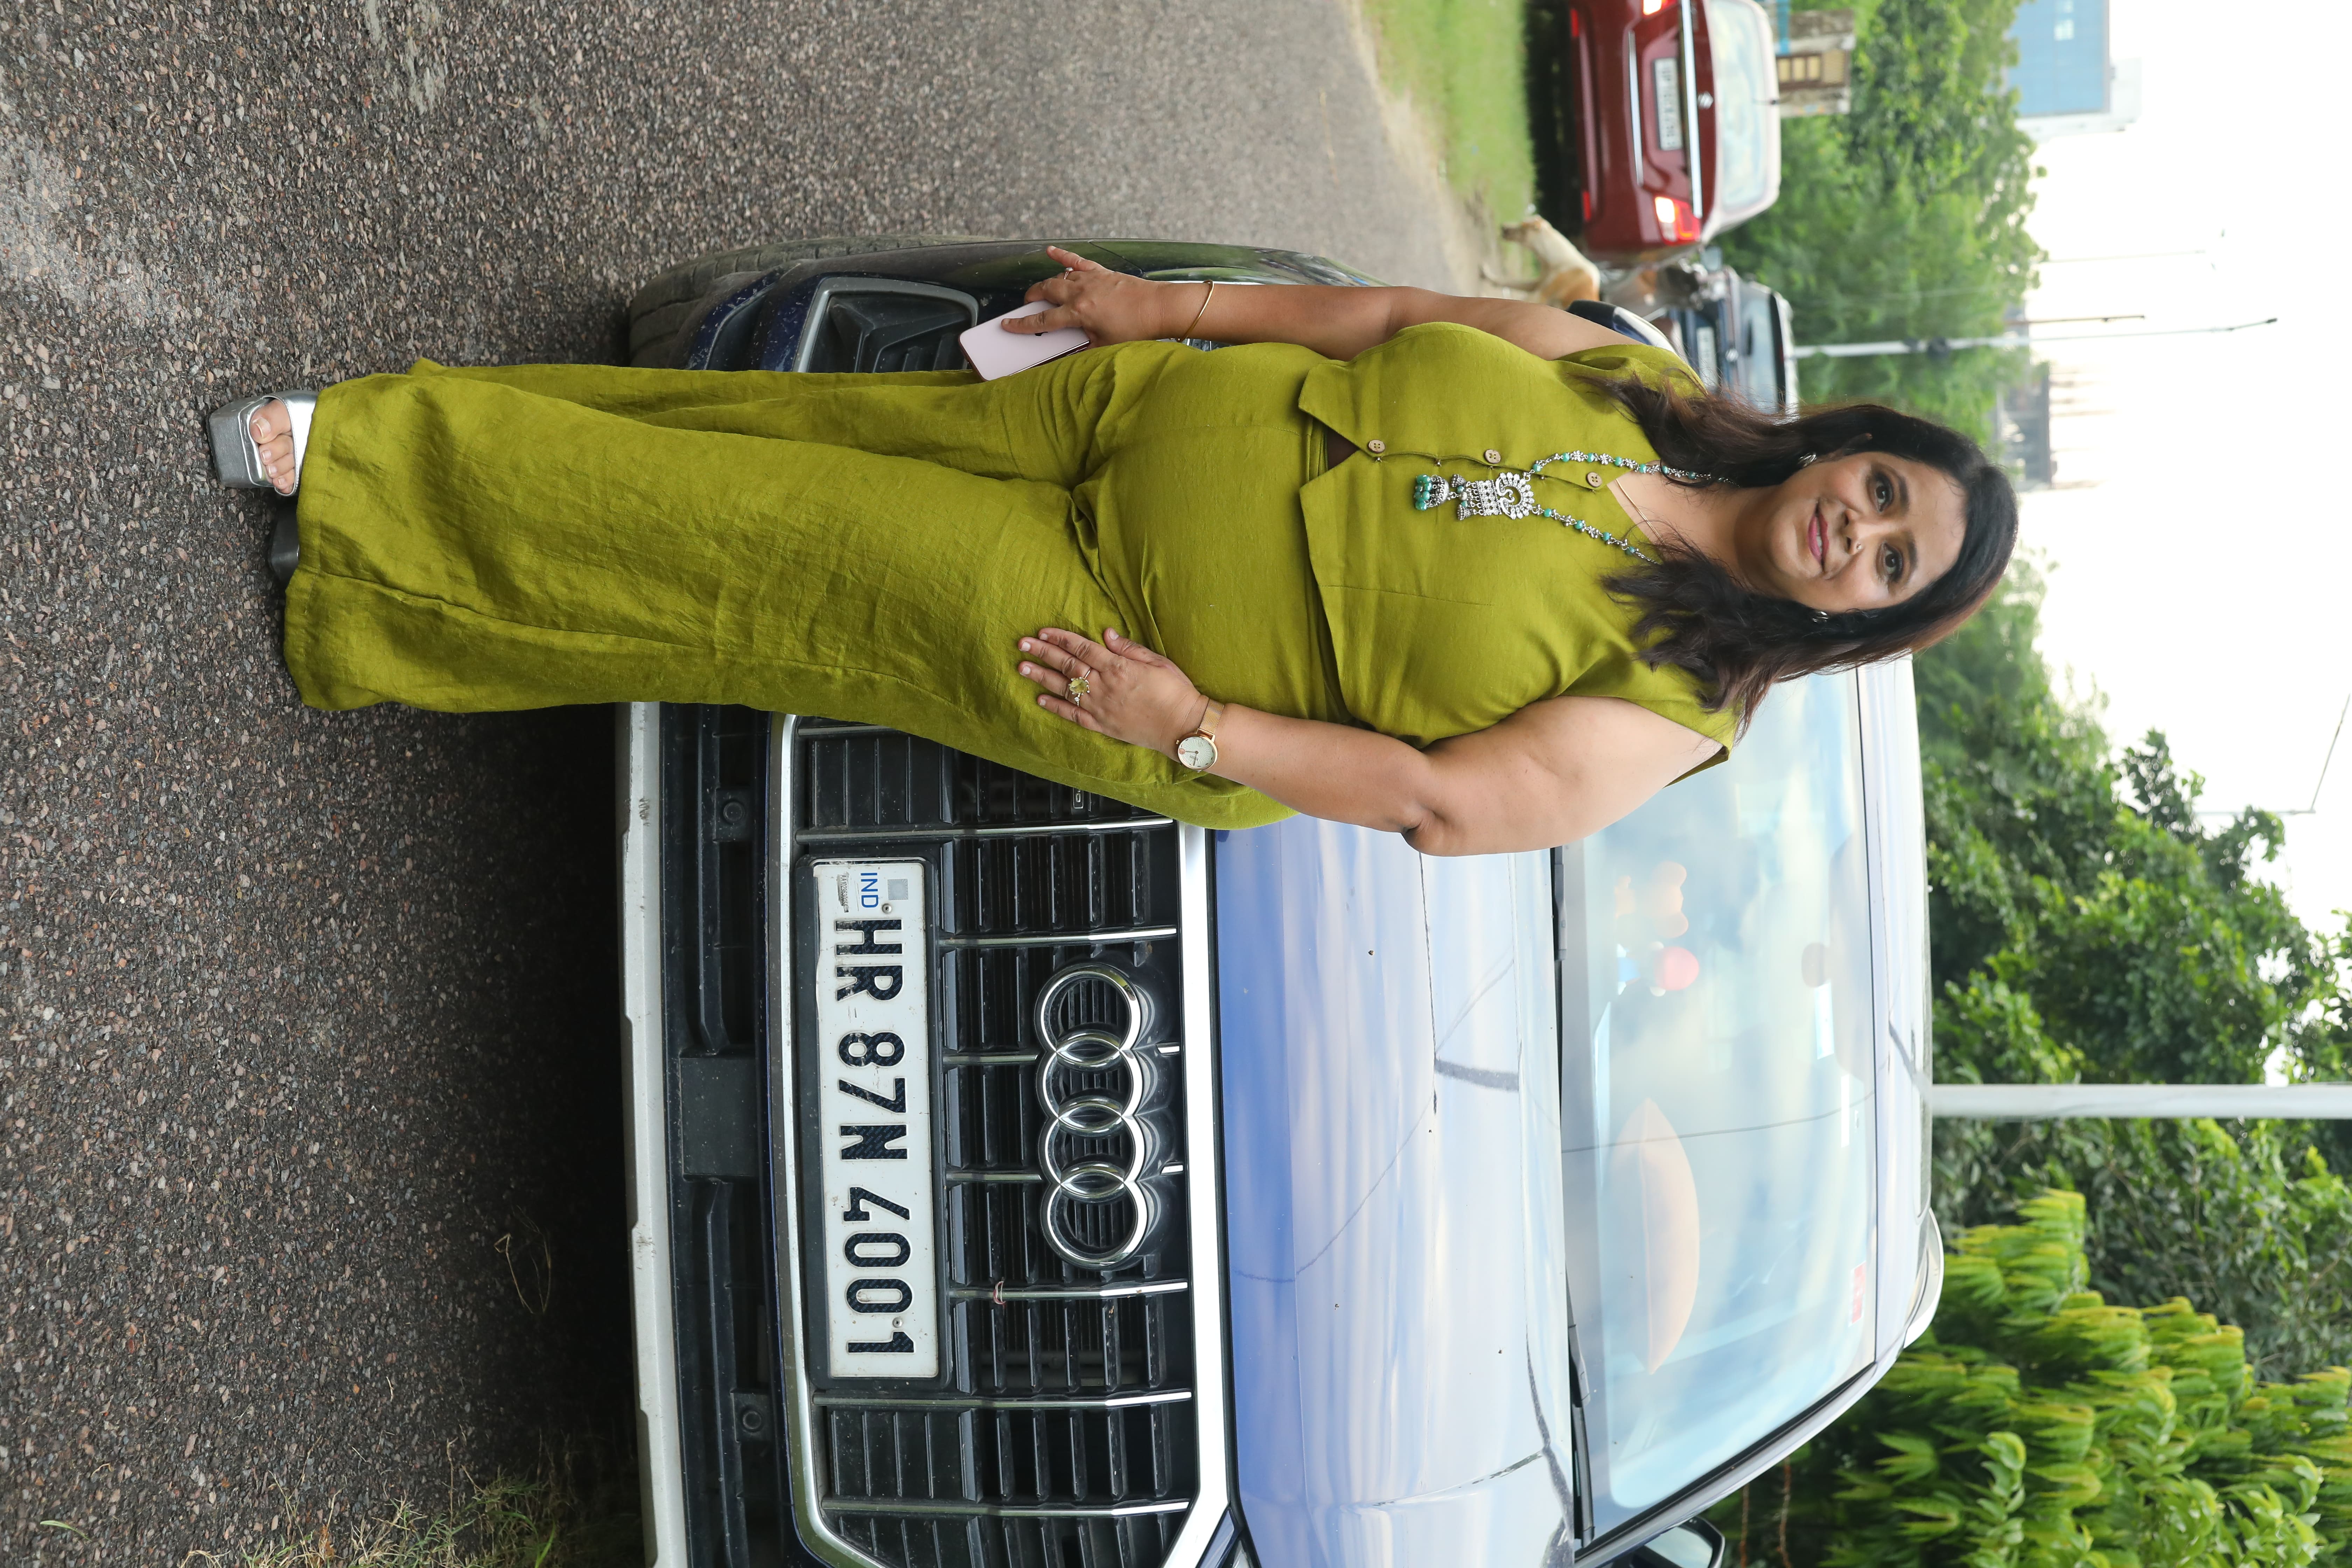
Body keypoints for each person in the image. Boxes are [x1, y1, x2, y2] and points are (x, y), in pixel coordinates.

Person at [211, 246, 2014, 854]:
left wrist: (1188, 730)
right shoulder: (1644, 380)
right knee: (774, 441)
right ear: (1858, 443)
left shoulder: (1680, 704)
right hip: (1128, 413)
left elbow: (1443, 804)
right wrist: (1174, 306)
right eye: (1886, 495)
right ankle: (378, 611)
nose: (1858, 529)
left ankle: (356, 460)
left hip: (1133, 647)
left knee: (752, 555)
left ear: (1856, 620)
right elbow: (1385, 310)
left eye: (1885, 564)